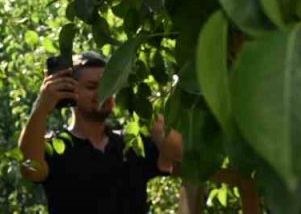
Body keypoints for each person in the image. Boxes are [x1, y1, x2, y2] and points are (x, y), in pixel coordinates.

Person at [19, 51, 183, 214]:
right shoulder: (56, 147)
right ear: (70, 91)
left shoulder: (132, 145)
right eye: (92, 87)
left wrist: (142, 107)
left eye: (108, 86)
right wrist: (41, 107)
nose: (102, 93)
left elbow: (183, 159)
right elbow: (30, 168)